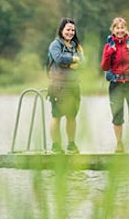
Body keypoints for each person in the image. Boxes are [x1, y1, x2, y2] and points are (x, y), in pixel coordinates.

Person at [100, 17, 129, 153]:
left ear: (126, 29)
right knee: (117, 117)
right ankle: (119, 144)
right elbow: (104, 67)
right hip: (116, 85)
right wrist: (109, 53)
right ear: (113, 30)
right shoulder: (108, 46)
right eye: (117, 28)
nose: (120, 30)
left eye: (122, 28)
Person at [47, 18, 84, 154]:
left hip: (74, 86)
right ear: (62, 30)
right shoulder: (55, 44)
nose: (70, 32)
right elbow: (58, 58)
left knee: (71, 116)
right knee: (57, 115)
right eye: (68, 29)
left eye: (73, 30)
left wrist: (75, 60)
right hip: (59, 86)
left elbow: (84, 61)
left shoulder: (75, 45)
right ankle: (56, 146)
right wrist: (73, 59)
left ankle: (71, 144)